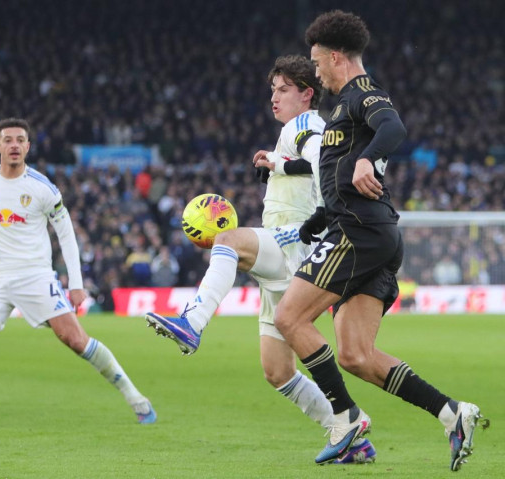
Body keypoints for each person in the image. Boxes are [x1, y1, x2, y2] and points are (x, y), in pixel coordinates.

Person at [272, 10, 488, 469]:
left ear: (336, 57)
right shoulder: (340, 108)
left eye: (317, 62)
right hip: (367, 231)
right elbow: (339, 174)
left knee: (289, 316)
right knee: (355, 355)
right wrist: (319, 217)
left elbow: (393, 127)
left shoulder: (363, 94)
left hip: (359, 233)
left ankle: (345, 418)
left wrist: (368, 159)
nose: (316, 72)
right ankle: (452, 413)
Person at [145, 55, 374, 464]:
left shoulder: (304, 124)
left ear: (307, 94)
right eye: (272, 90)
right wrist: (279, 165)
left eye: (283, 89)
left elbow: (323, 160)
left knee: (228, 240)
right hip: (286, 257)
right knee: (277, 371)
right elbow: (314, 164)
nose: (274, 97)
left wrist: (295, 178)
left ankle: (192, 322)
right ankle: (350, 432)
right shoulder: (295, 132)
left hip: (295, 246)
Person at [0, 118, 156, 428]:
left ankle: (137, 399)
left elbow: (67, 234)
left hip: (35, 276)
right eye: (8, 140)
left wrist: (76, 284)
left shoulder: (42, 188)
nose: (15, 145)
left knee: (76, 340)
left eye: (20, 140)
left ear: (28, 146)